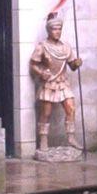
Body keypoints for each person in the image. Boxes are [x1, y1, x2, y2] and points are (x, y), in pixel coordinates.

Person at [29, 14, 83, 150]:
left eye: (59, 29)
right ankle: (43, 140)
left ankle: (71, 137)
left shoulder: (66, 47)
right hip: (49, 83)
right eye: (54, 29)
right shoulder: (43, 46)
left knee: (71, 108)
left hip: (63, 82)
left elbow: (71, 65)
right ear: (49, 30)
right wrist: (42, 73)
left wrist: (76, 63)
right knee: (46, 113)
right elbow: (33, 64)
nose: (57, 32)